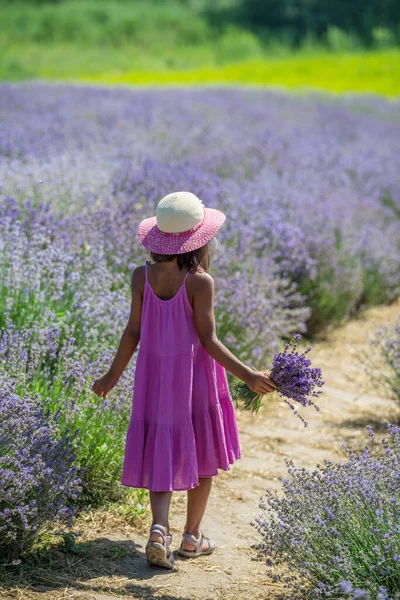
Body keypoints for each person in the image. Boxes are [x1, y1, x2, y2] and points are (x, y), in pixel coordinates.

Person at [92, 191, 276, 570]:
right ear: (200, 240)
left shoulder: (142, 275)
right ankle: (192, 537)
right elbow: (208, 340)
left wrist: (112, 374)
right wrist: (249, 375)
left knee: (161, 447)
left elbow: (132, 332)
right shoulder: (200, 282)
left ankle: (159, 529)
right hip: (195, 379)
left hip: (155, 380)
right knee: (202, 452)